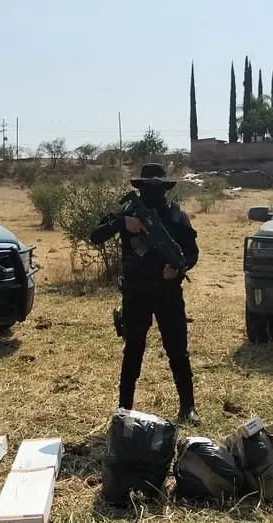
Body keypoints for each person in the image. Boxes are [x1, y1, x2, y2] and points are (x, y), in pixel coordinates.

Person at [90, 163, 200, 424]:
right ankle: (124, 409)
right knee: (133, 351)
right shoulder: (128, 212)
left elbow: (192, 254)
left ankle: (188, 407)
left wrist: (177, 269)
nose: (153, 190)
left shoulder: (176, 216)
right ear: (139, 187)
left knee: (178, 351)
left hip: (168, 293)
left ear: (164, 187)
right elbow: (96, 236)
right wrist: (121, 223)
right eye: (147, 186)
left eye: (157, 186)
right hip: (136, 293)